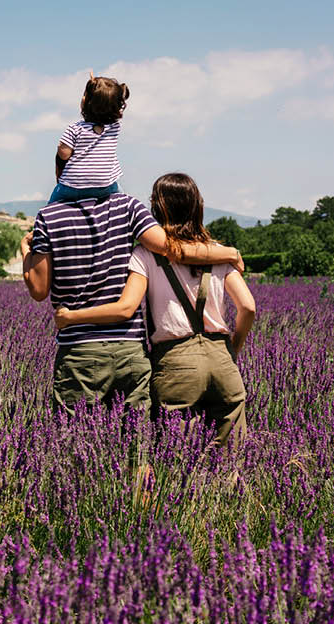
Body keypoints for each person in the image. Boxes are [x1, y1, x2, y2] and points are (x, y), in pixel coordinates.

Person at [54, 173, 256, 447]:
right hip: (222, 360)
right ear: (199, 206)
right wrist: (233, 348)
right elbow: (248, 306)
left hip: (175, 361)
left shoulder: (145, 255)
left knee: (177, 460)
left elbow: (125, 307)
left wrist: (70, 317)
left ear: (156, 209)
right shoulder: (218, 252)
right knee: (230, 458)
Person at [21, 187, 244, 415]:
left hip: (83, 350)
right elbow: (247, 306)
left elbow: (39, 290)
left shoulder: (49, 216)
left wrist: (69, 315)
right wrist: (231, 253)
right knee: (143, 440)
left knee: (75, 439)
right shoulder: (128, 206)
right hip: (137, 350)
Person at [49, 73, 129, 204]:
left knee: (52, 205)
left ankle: (46, 218)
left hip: (73, 186)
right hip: (105, 185)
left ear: (85, 102)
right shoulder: (114, 128)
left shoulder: (75, 128)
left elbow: (63, 153)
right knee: (123, 197)